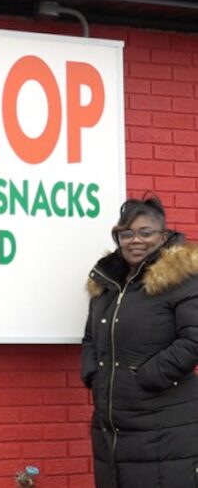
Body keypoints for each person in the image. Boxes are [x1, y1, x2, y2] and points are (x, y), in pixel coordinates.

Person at [81, 196, 198, 487]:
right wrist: (93, 374)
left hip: (163, 423)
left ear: (163, 236)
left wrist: (146, 377)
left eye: (146, 232)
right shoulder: (109, 284)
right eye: (127, 233)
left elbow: (194, 339)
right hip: (112, 425)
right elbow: (90, 337)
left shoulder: (182, 280)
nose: (136, 240)